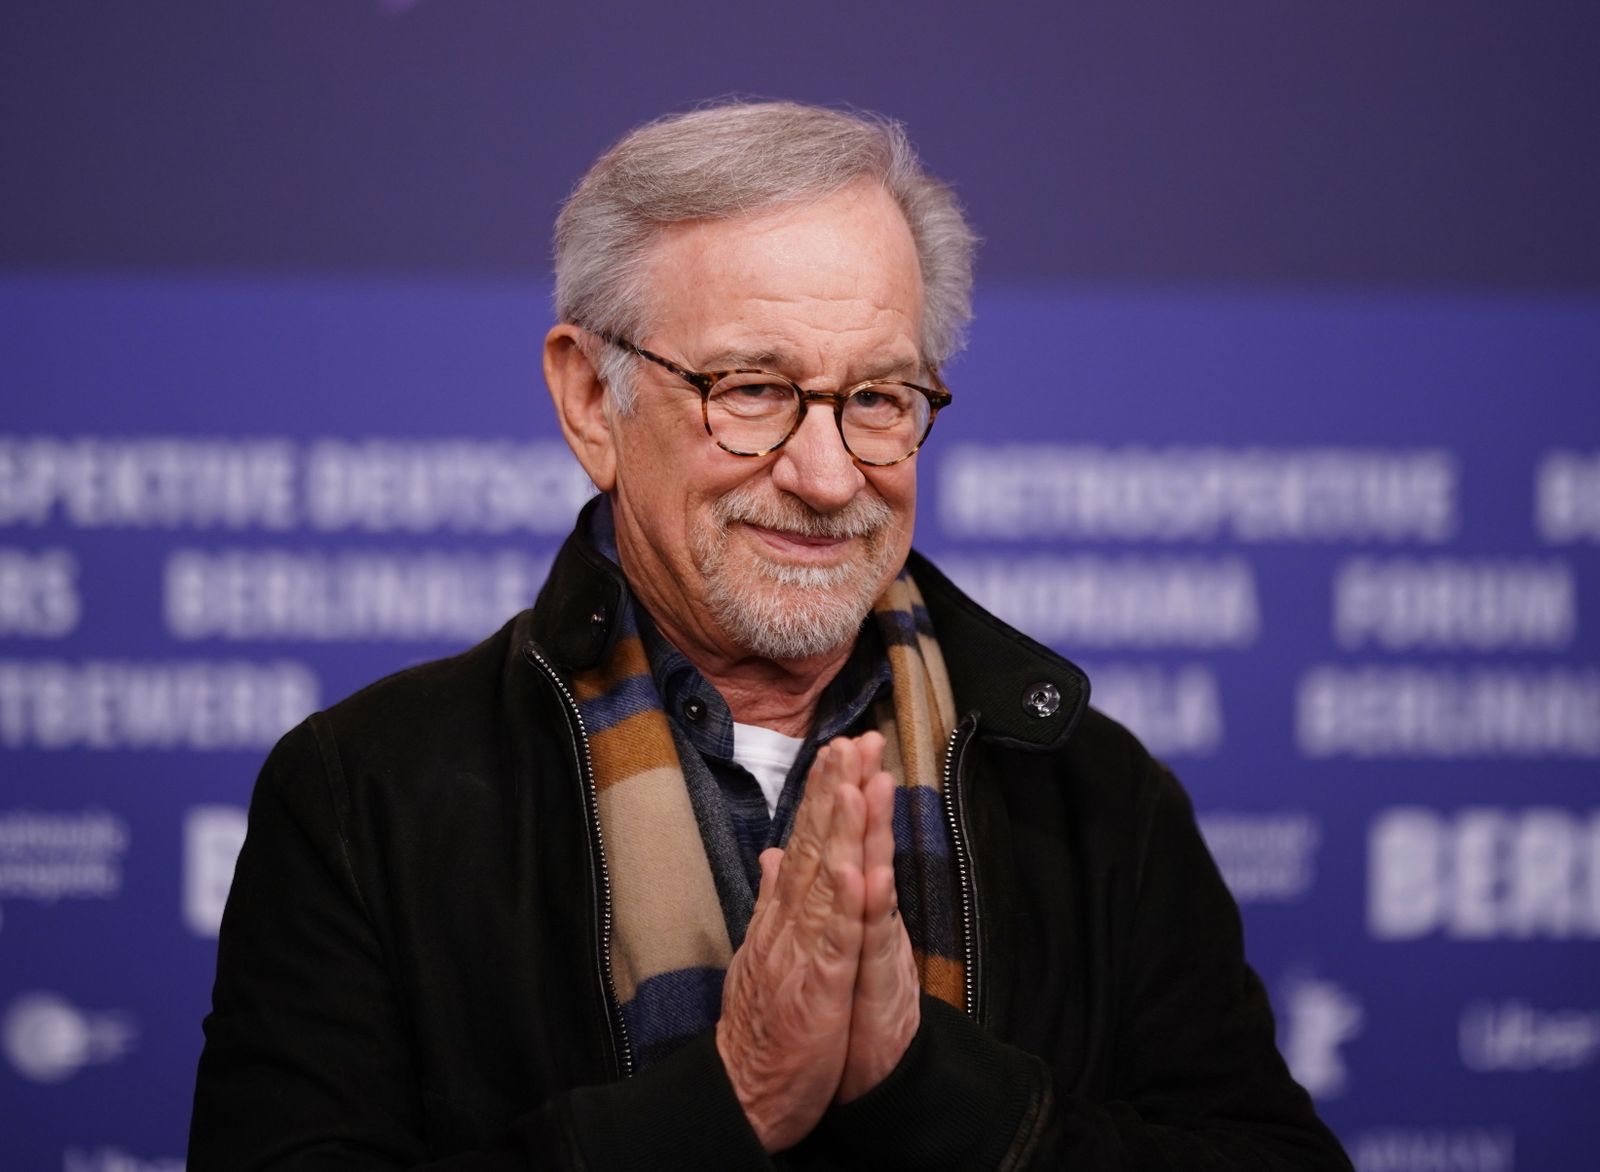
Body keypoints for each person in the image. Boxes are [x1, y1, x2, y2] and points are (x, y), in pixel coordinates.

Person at [190, 101, 1352, 1169]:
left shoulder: (1090, 791)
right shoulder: (364, 794)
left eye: (877, 398)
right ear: (591, 401)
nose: (827, 474)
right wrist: (729, 1096)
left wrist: (930, 1086)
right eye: (751, 388)